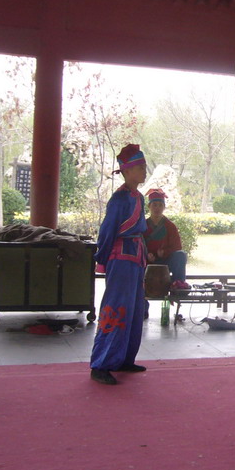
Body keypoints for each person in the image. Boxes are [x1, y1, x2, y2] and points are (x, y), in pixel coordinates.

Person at [89, 144, 149, 385]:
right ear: (127, 171)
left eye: (144, 166)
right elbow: (107, 230)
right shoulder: (119, 199)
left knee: (134, 310)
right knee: (116, 309)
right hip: (121, 258)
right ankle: (101, 363)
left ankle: (123, 358)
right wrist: (101, 258)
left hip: (136, 258)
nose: (145, 171)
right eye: (141, 167)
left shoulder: (138, 197)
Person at [143, 188, 189, 290]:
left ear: (164, 207)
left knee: (181, 255)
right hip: (147, 262)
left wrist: (165, 252)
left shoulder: (170, 226)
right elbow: (138, 244)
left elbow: (177, 247)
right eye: (154, 205)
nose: (157, 208)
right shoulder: (143, 226)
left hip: (166, 261)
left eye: (160, 205)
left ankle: (178, 285)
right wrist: (146, 254)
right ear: (149, 206)